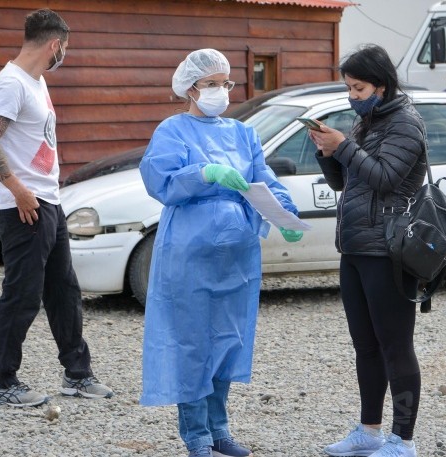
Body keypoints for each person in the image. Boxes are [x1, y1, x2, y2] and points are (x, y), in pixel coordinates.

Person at [138, 48, 302, 457]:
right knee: (192, 342)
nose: (220, 91)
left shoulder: (242, 133)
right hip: (188, 255)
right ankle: (196, 435)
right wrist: (204, 173)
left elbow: (262, 178)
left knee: (228, 340)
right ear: (190, 88)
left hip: (236, 258)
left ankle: (219, 429)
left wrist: (285, 212)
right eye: (211, 83)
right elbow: (161, 182)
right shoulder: (172, 131)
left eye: (225, 83)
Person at [0, 8, 113, 408]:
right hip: (24, 208)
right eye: (63, 48)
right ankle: (1, 383)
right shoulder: (11, 84)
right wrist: (18, 190)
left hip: (48, 202)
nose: (62, 55)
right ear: (54, 44)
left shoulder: (35, 83)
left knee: (64, 291)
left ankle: (78, 374)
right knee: (21, 295)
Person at [307, 44, 427, 457]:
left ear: (381, 84)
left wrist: (342, 146)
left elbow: (385, 179)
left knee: (396, 345)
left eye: (358, 88)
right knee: (366, 345)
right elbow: (347, 183)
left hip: (389, 250)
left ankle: (402, 440)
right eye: (349, 88)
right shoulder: (368, 123)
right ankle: (369, 431)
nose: (352, 96)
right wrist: (328, 153)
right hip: (356, 246)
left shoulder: (406, 124)